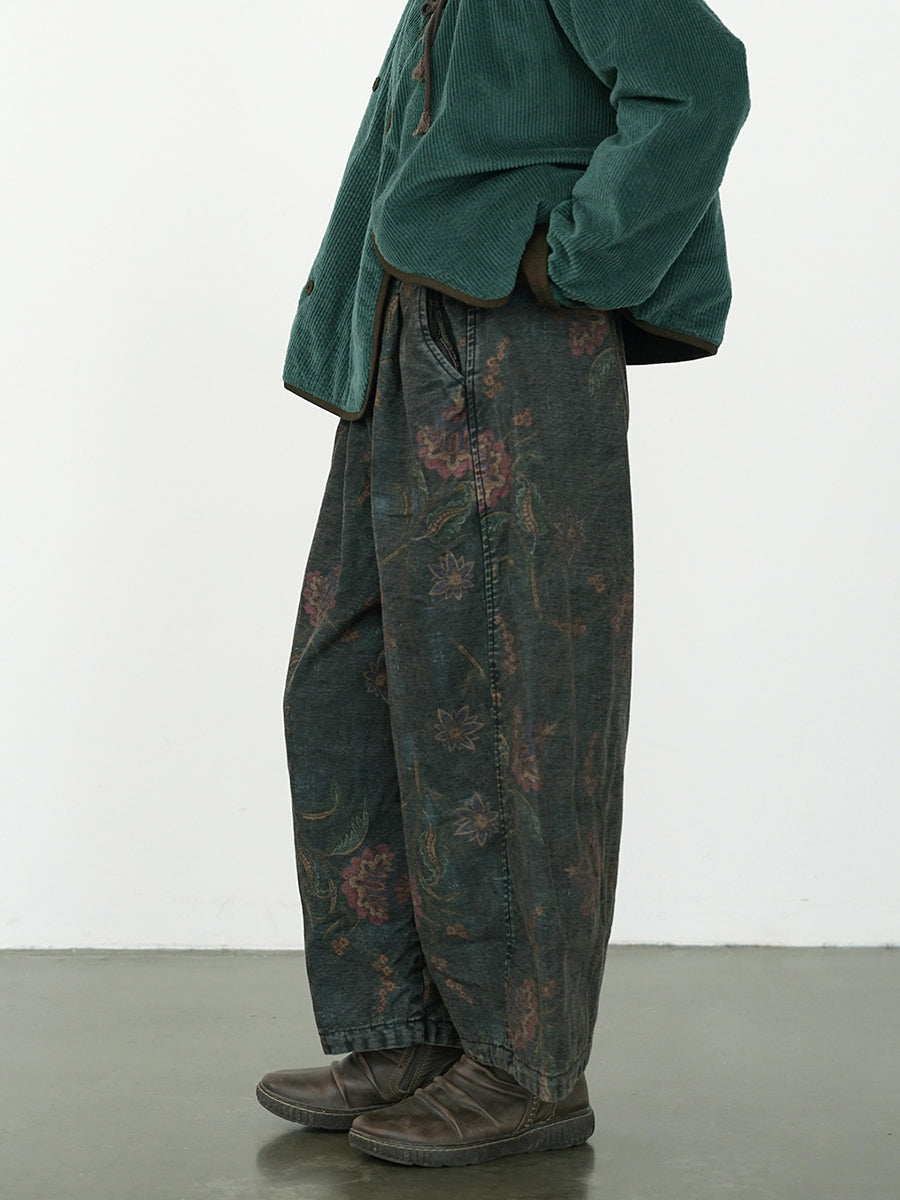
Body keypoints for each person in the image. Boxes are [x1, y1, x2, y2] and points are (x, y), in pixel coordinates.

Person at [256, 0, 751, 1168]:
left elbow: (700, 79)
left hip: (508, 339)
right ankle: (413, 1035)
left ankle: (526, 1068)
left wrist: (576, 256)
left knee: (500, 705)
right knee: (349, 684)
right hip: (413, 331)